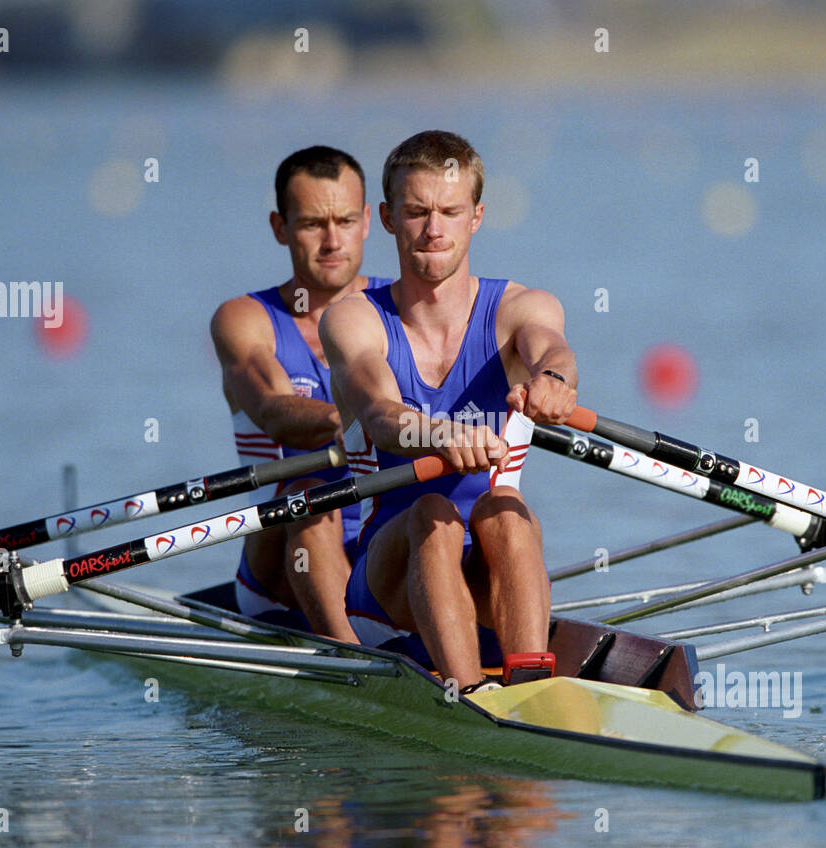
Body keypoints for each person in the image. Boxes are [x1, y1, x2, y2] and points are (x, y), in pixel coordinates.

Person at [321, 130, 578, 690]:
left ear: (477, 217)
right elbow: (380, 412)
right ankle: (471, 696)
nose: (434, 230)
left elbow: (550, 349)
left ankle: (530, 687)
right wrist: (437, 433)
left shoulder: (520, 307)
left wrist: (554, 382)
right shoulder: (353, 320)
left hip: (490, 586)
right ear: (387, 218)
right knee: (432, 511)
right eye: (416, 212)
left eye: (450, 211)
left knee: (503, 507)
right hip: (385, 593)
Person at [209, 146, 388, 643]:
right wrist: (361, 419)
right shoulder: (245, 319)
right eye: (312, 224)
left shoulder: (406, 308)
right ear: (279, 227)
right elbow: (273, 411)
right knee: (308, 496)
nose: (333, 241)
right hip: (281, 568)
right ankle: (356, 664)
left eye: (346, 221)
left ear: (368, 221)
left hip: (387, 544)